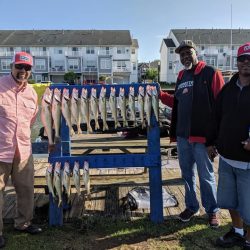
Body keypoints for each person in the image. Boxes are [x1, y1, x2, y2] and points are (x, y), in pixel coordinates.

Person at [159, 40, 224, 227]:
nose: (185, 56)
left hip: (203, 138)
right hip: (182, 137)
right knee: (187, 175)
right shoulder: (181, 76)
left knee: (206, 176)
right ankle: (191, 206)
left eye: (188, 52)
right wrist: (161, 95)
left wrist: (216, 139)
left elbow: (221, 106)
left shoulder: (210, 73)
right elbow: (177, 103)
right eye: (182, 54)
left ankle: (212, 210)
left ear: (196, 53)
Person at [206, 42, 250, 249]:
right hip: (226, 158)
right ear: (237, 61)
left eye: (249, 59)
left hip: (248, 164)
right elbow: (215, 117)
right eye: (242, 59)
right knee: (230, 201)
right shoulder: (228, 89)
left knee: (249, 207)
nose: (246, 62)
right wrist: (210, 142)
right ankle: (237, 232)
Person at [0, 52, 42, 248]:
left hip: (23, 149)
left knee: (26, 189)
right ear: (12, 66)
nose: (23, 71)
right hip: (1, 149)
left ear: (31, 71)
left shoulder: (32, 93)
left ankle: (23, 223)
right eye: (19, 67)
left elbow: (32, 120)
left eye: (27, 68)